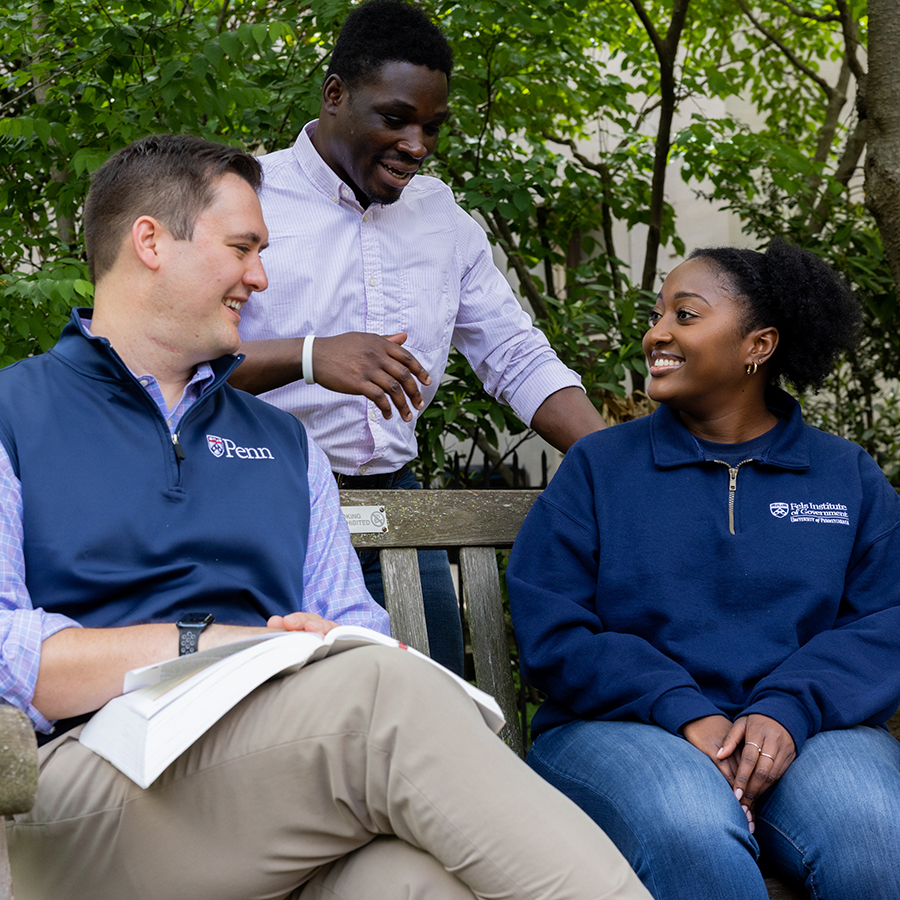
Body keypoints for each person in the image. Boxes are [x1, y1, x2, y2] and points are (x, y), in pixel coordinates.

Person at [0, 133, 651, 900]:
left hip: (272, 791)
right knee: (380, 695)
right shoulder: (17, 412)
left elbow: (355, 627)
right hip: (78, 798)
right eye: (243, 248)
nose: (260, 276)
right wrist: (212, 646)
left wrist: (328, 646)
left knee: (414, 882)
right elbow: (10, 652)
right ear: (150, 241)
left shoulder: (284, 444)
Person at [507, 238, 900, 900]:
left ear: (759, 346)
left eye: (684, 315)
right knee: (692, 827)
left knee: (875, 834)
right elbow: (553, 632)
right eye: (657, 314)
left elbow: (886, 620)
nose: (656, 332)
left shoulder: (844, 475)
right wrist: (681, 707)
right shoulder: (601, 467)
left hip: (805, 731)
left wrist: (786, 708)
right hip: (623, 729)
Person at [230, 0, 607, 676]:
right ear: (335, 95)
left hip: (399, 506)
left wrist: (613, 460)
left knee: (441, 707)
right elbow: (184, 366)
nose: (417, 146)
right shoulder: (246, 199)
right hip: (262, 507)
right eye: (395, 119)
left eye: (433, 127)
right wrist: (313, 356)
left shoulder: (443, 218)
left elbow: (514, 355)